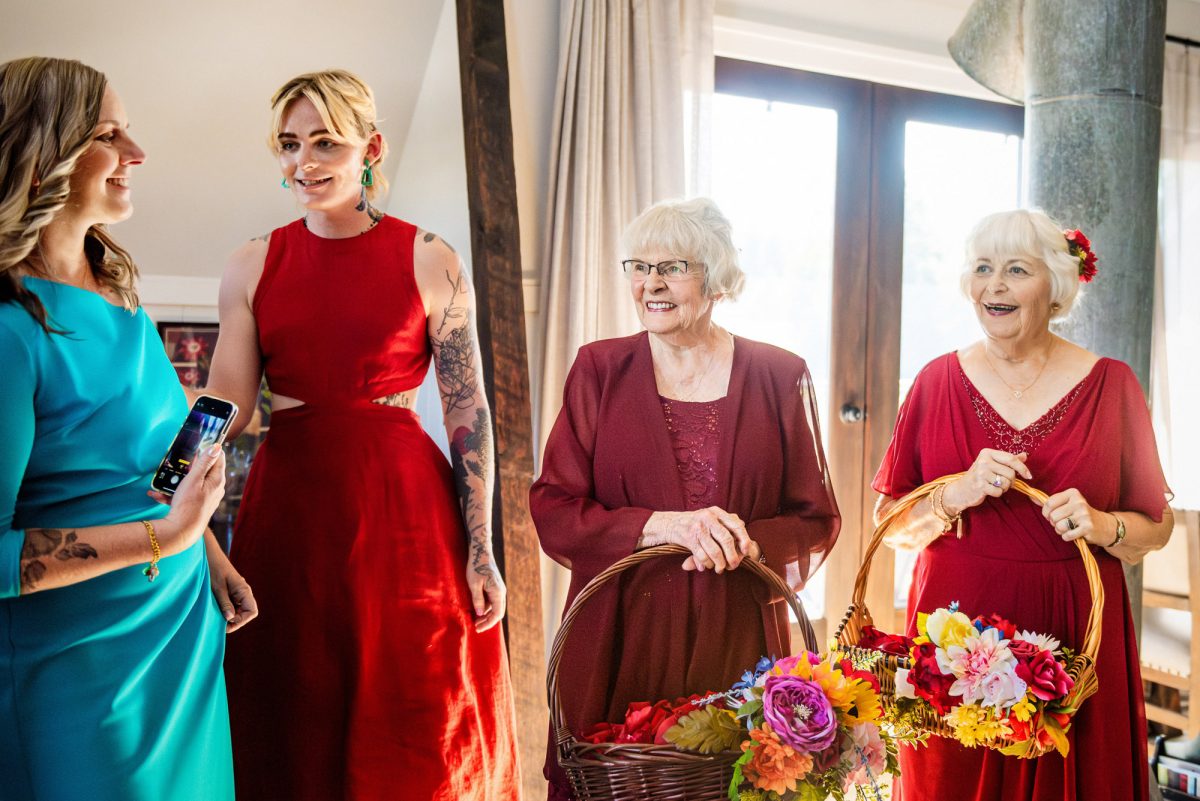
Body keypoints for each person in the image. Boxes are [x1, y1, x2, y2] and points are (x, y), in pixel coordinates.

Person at [206, 69, 520, 801]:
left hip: (407, 509)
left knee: (415, 703)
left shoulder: (432, 257)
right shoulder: (251, 262)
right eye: (288, 144)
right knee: (292, 703)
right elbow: (229, 399)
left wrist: (481, 548)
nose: (302, 163)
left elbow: (468, 411)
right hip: (292, 504)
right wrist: (166, 468)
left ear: (369, 147)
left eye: (324, 142)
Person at [0, 56, 254, 801]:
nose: (135, 155)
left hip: (178, 637)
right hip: (82, 670)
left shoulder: (121, 294)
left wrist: (208, 556)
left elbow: (155, 465)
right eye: (110, 133)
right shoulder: (11, 330)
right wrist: (165, 538)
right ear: (44, 152)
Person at [530, 197, 842, 800]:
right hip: (618, 634)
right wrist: (664, 526)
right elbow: (554, 507)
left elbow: (816, 517)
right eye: (638, 267)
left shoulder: (782, 375)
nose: (651, 284)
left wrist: (745, 541)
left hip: (738, 640)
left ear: (716, 276)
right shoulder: (599, 369)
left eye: (671, 267)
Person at [874, 209, 1173, 801]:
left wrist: (1103, 523)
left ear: (1055, 287)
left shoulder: (1113, 385)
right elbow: (891, 528)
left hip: (1073, 626)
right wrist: (953, 493)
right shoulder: (935, 382)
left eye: (1016, 270)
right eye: (983, 269)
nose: (995, 285)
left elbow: (1153, 530)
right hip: (952, 635)